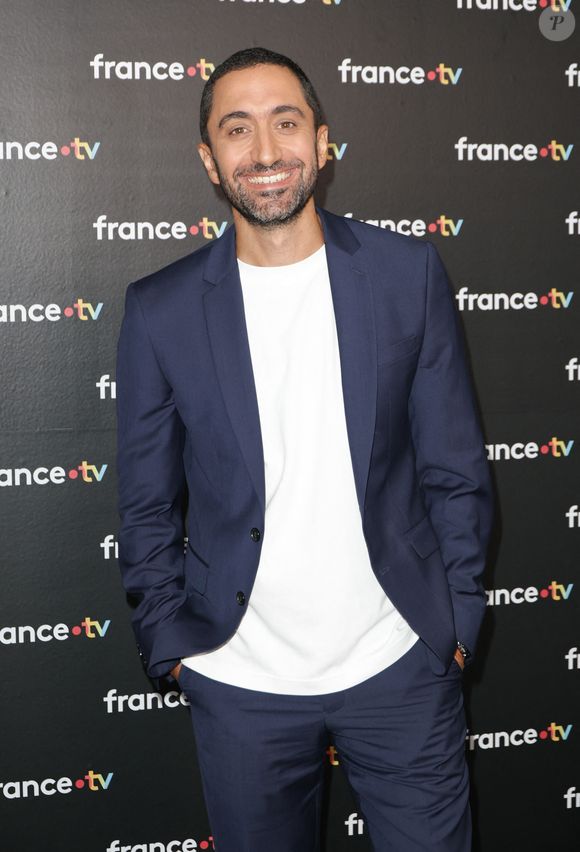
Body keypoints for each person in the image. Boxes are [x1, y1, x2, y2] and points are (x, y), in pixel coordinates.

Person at [116, 46, 494, 852]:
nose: (265, 152)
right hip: (240, 680)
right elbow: (146, 505)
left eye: (286, 124)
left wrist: (455, 619)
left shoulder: (407, 274)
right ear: (210, 162)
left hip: (400, 665)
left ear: (323, 143)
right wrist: (174, 646)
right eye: (237, 130)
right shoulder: (161, 310)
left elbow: (454, 469)